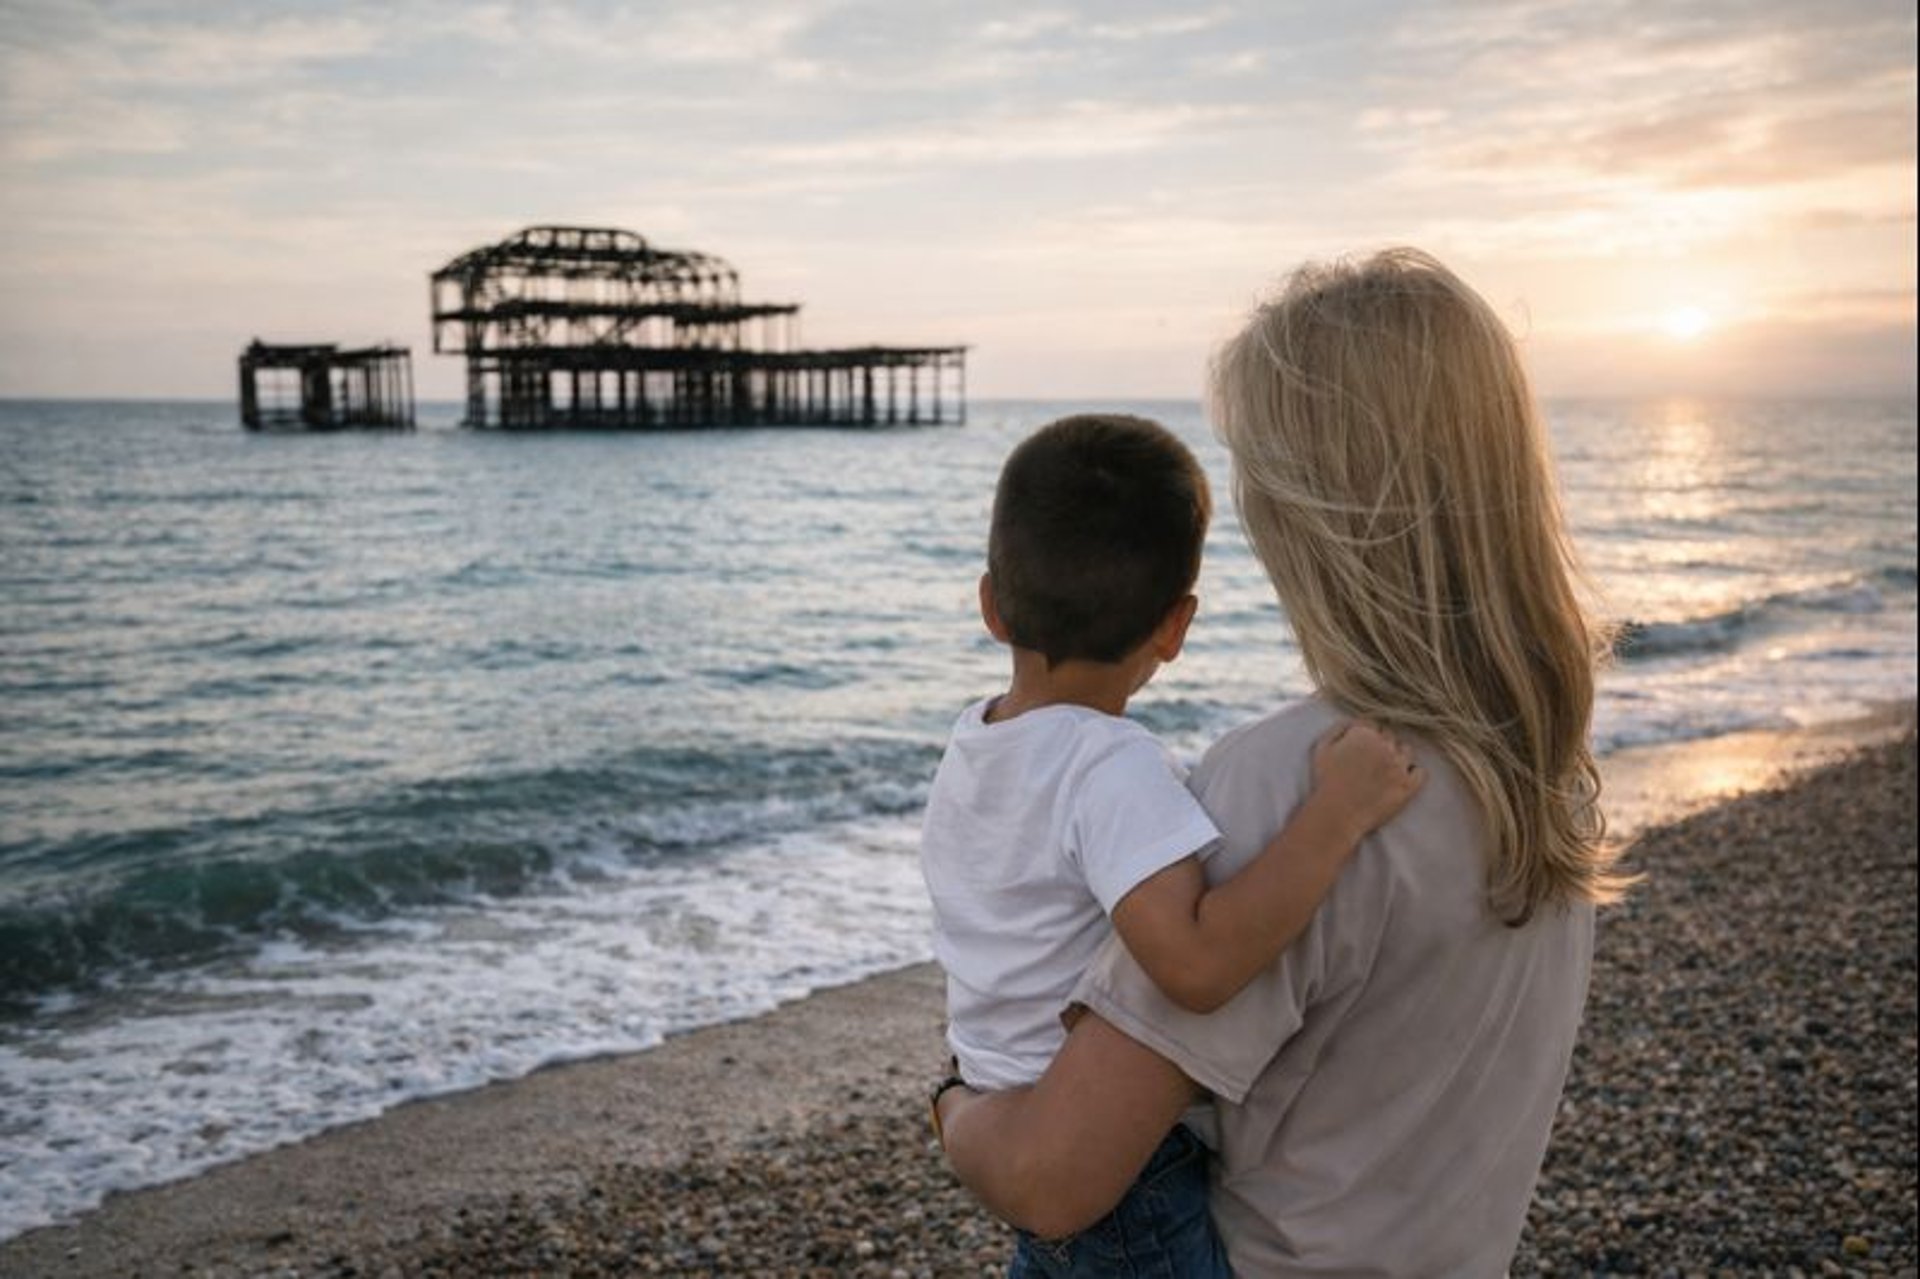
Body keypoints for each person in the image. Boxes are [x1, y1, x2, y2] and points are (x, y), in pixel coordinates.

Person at [936, 250, 1633, 1277]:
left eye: (1253, 466)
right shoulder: (1543, 768)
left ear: (1313, 505)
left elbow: (1052, 1180)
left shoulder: (1292, 788)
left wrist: (954, 1103)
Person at [922, 413, 1424, 1277]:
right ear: (1175, 627)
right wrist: (1336, 814)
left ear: (991, 606)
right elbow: (1194, 964)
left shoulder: (973, 744)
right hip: (1114, 1166)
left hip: (1011, 1107)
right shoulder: (1110, 766)